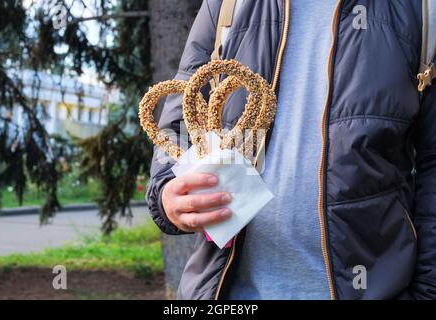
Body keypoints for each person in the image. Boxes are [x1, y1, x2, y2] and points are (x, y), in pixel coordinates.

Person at [146, 0, 436, 299]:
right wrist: (168, 190)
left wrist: (428, 291)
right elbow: (181, 119)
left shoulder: (421, 9)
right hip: (229, 292)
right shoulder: (226, 4)